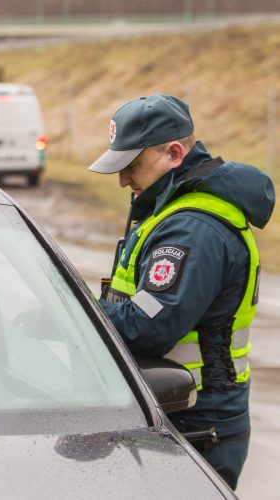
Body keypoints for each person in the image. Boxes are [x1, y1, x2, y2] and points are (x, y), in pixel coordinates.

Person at [88, 94, 275, 490]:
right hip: (174, 409)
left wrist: (73, 313)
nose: (123, 180)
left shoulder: (194, 230)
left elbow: (147, 328)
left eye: (131, 166)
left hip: (195, 420)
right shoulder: (169, 208)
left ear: (174, 153)